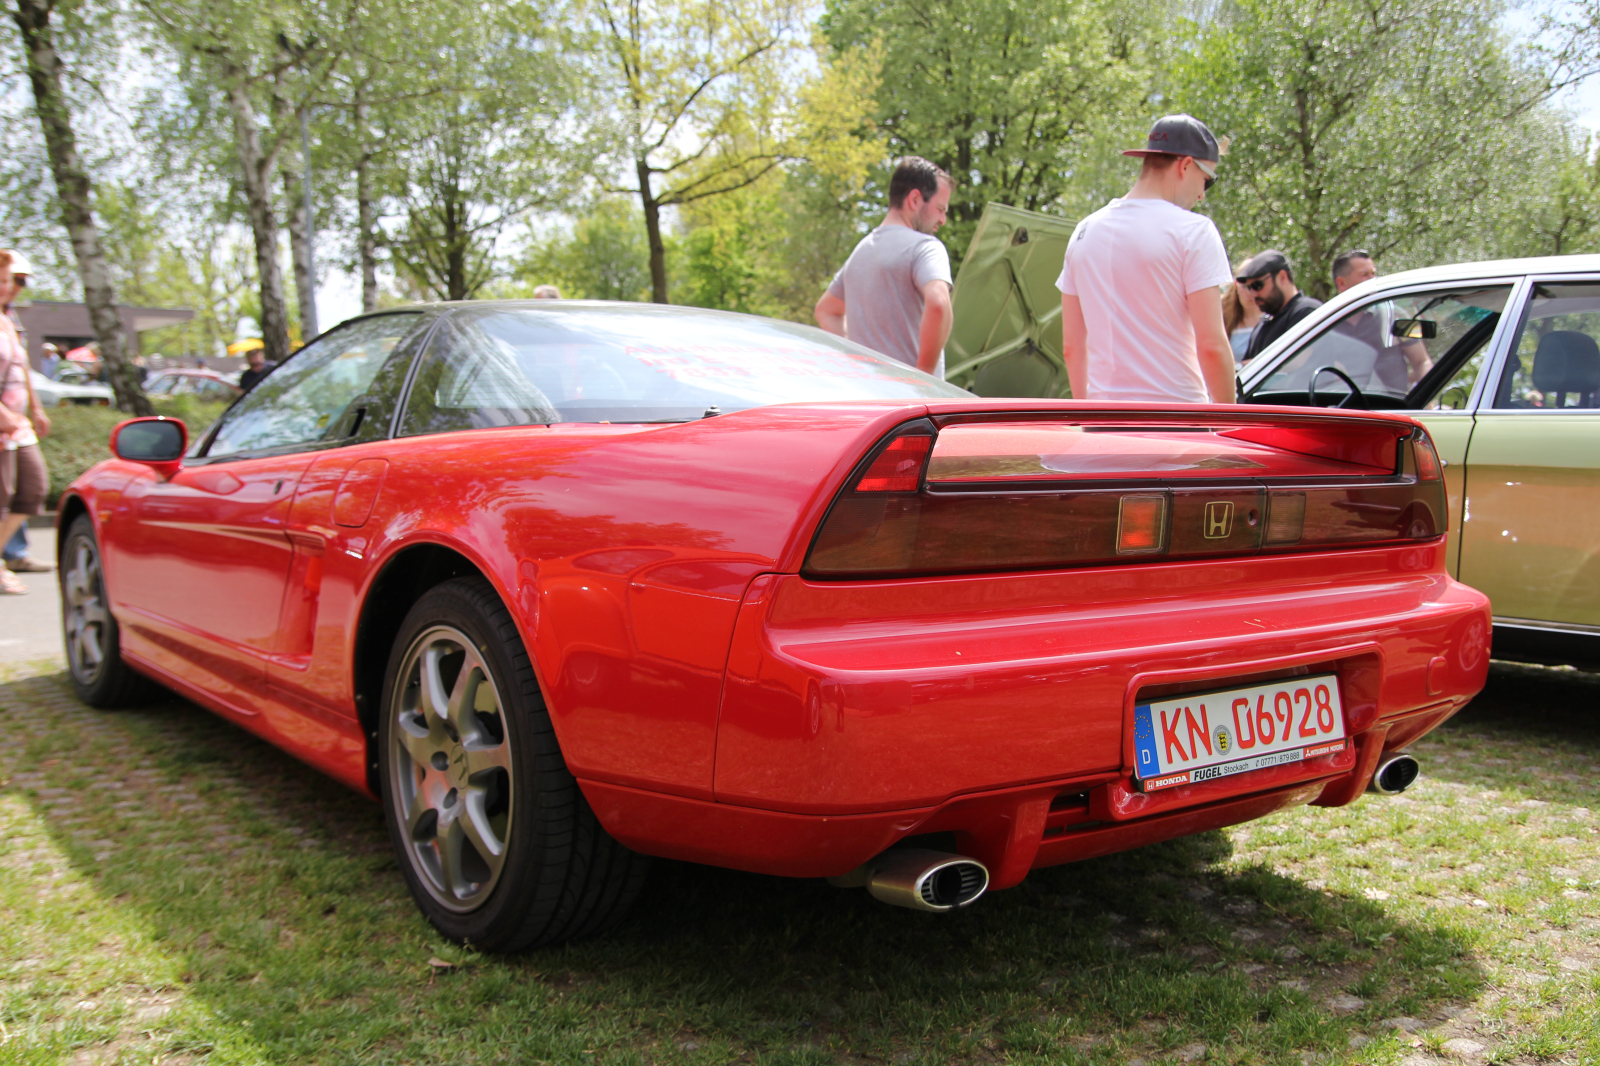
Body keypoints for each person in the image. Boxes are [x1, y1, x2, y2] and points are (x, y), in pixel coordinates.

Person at [1057, 114, 1235, 403]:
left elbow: (1072, 346)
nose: (1202, 195)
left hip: (1104, 424)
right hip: (1177, 424)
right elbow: (1212, 346)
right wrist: (1229, 426)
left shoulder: (1084, 232)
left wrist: (1086, 416)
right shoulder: (1193, 231)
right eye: (1207, 180)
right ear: (1186, 165)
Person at [815, 156, 954, 377]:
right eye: (939, 209)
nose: (943, 219)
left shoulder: (859, 253)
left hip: (869, 396)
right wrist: (924, 375)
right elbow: (938, 303)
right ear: (915, 200)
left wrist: (859, 358)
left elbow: (825, 311)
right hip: (911, 403)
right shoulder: (926, 247)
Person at [0, 252, 50, 594]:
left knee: (33, 487)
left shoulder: (7, 319)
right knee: (3, 494)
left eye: (13, 281)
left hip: (17, 423)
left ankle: (6, 555)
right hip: (3, 422)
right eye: (5, 281)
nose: (12, 288)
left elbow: (20, 366)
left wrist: (36, 407)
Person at [1329, 249, 1432, 389]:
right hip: (1348, 408)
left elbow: (1422, 361)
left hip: (1393, 406)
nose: (1373, 280)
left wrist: (1426, 398)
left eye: (1373, 273)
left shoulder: (1397, 314)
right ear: (1341, 283)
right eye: (1364, 275)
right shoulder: (1326, 324)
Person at [1239, 250, 1321, 362]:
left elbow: (1294, 363)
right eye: (1249, 288)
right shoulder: (1263, 324)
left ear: (1282, 277)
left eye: (1257, 285)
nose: (1252, 294)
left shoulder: (1306, 311)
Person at [1222, 261, 1263, 364]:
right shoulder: (1223, 316)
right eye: (1245, 286)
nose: (1251, 293)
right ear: (1236, 285)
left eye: (1255, 285)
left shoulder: (1274, 317)